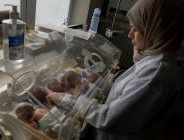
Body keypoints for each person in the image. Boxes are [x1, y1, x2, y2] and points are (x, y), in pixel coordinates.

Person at [46, 0, 184, 139]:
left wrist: (67, 99)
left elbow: (109, 117)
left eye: (135, 29)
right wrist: (98, 83)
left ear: (156, 31)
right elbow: (128, 89)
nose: (129, 35)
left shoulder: (156, 74)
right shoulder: (156, 59)